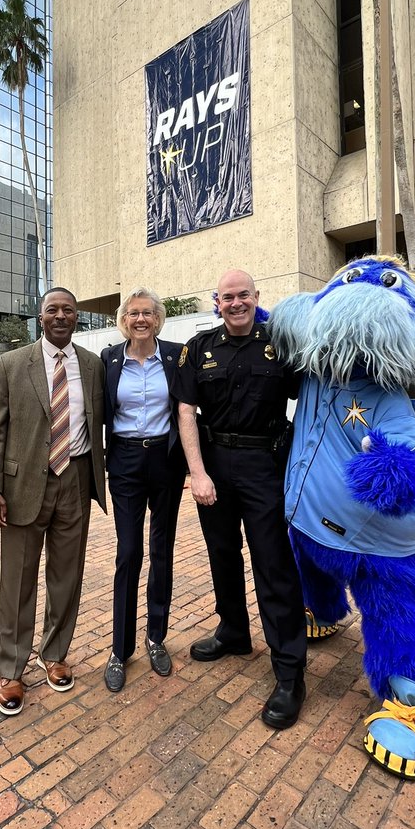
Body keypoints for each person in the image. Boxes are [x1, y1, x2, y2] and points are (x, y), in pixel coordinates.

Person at [176, 268, 307, 730]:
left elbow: (310, 396)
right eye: (227, 297)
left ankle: (289, 672)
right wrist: (196, 472)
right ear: (217, 301)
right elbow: (185, 412)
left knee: (273, 564)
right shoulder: (200, 348)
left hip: (263, 465)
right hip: (213, 463)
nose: (235, 303)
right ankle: (233, 631)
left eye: (243, 296)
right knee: (222, 555)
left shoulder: (281, 345)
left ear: (256, 297)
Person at [0, 287, 106, 716]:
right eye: (52, 309)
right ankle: (11, 668)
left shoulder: (91, 365)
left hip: (76, 477)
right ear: (40, 316)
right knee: (17, 580)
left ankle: (54, 654)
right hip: (21, 488)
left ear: (76, 317)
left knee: (66, 574)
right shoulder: (12, 364)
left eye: (68, 310)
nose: (60, 316)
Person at [101, 287, 186, 692]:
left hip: (165, 460)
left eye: (147, 313)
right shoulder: (109, 359)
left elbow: (187, 408)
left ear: (158, 318)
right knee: (129, 551)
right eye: (133, 313)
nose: (140, 319)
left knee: (162, 549)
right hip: (125, 463)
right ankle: (120, 648)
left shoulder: (175, 355)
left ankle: (156, 637)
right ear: (124, 319)